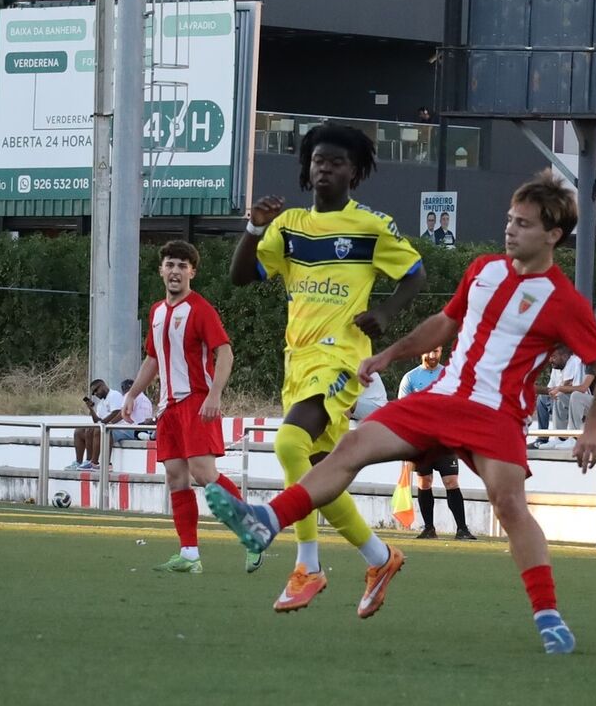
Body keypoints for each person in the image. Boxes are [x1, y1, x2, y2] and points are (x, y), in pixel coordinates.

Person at [206, 170, 596, 653]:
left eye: (523, 224)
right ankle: (266, 521)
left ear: (553, 235)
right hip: (440, 399)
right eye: (510, 219)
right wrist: (390, 355)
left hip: (497, 414)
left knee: (509, 506)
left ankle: (548, 616)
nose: (510, 229)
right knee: (352, 445)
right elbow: (444, 323)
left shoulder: (564, 301)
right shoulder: (483, 269)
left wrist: (592, 429)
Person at [229, 122, 426, 615]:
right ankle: (379, 557)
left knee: (287, 444)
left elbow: (415, 274)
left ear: (354, 172)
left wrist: (385, 313)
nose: (325, 169)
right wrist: (254, 229)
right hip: (297, 359)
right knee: (319, 474)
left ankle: (308, 565)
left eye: (337, 162)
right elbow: (240, 277)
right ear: (307, 166)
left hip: (341, 358)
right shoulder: (289, 226)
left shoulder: (371, 225)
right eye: (319, 160)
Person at [121, 240, 252, 574]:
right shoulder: (156, 311)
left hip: (196, 401)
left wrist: (214, 395)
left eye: (182, 266)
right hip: (168, 408)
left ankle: (252, 531)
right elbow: (153, 358)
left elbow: (225, 352)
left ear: (192, 272)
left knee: (203, 473)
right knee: (176, 477)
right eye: (170, 264)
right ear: (161, 270)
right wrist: (133, 394)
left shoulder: (200, 309)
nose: (175, 271)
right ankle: (189, 554)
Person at [398, 345, 476, 540]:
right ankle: (429, 529)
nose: (432, 355)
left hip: (445, 440)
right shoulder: (410, 378)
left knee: (451, 480)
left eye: (437, 351)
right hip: (421, 441)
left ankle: (462, 529)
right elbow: (403, 410)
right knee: (424, 482)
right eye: (429, 351)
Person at [69, 379, 124, 470]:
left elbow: (117, 412)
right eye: (93, 393)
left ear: (103, 386)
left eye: (96, 390)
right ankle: (80, 462)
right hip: (105, 428)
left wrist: (101, 424)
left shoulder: (114, 395)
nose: (95, 394)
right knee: (79, 431)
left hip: (120, 428)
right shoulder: (100, 404)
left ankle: (94, 462)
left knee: (97, 429)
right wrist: (91, 409)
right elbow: (97, 421)